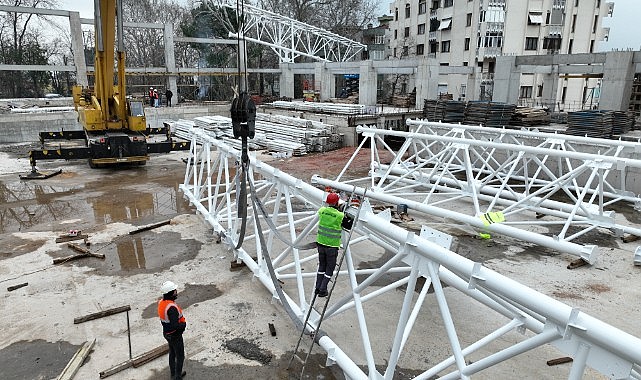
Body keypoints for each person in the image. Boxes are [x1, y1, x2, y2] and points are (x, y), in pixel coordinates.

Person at [315, 192, 349, 297]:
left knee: (322, 266)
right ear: (337, 202)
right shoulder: (340, 215)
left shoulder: (322, 211)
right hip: (332, 247)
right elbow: (348, 225)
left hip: (320, 244)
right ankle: (323, 289)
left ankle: (317, 287)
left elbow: (326, 213)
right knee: (330, 268)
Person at [158, 281, 187, 380]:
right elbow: (175, 325)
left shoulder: (162, 302)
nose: (176, 292)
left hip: (167, 333)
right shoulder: (171, 308)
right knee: (180, 356)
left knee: (172, 353)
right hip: (174, 335)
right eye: (174, 291)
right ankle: (177, 377)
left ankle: (173, 374)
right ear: (170, 293)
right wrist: (183, 325)